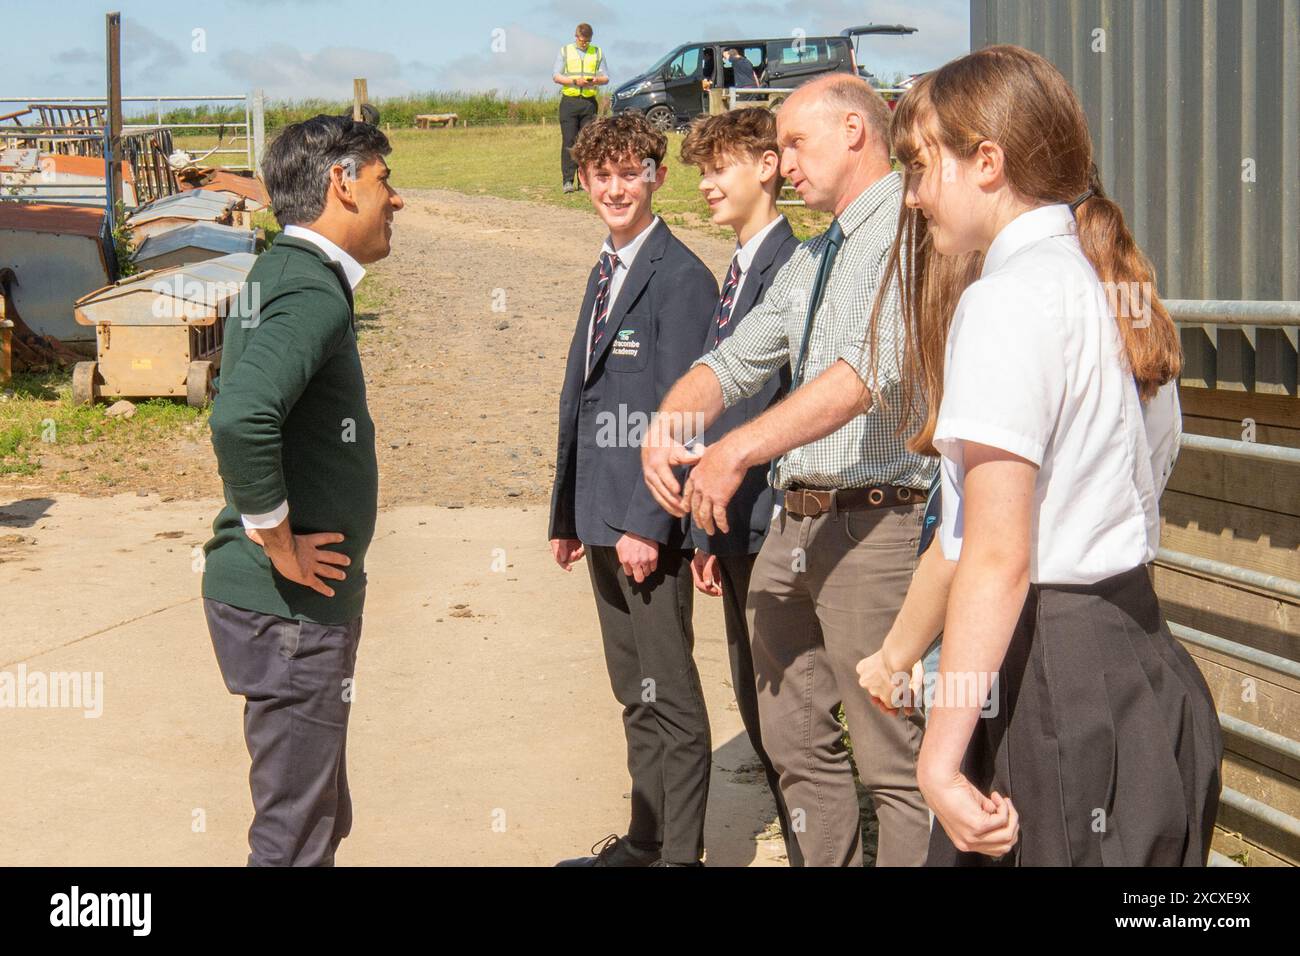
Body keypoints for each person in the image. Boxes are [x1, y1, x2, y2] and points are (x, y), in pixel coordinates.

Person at [868, 44, 1221, 865]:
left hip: (1055, 675)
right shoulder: (1099, 282)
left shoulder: (1006, 301)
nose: (914, 196)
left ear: (986, 161)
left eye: (922, 168)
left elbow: (992, 555)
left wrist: (938, 761)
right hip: (1134, 649)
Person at [642, 73, 935, 867]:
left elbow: (864, 373)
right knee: (796, 739)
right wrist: (671, 419)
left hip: (877, 523)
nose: (785, 162)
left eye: (795, 144)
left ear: (853, 130)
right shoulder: (818, 254)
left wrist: (735, 448)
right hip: (797, 524)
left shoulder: (909, 231)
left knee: (891, 756)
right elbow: (740, 355)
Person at [202, 114, 404, 866]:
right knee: (294, 837)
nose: (397, 200)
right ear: (342, 184)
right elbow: (240, 416)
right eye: (385, 180)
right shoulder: (309, 292)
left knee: (316, 817)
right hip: (287, 609)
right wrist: (279, 542)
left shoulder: (281, 270)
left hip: (284, 609)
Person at [547, 112, 719, 867]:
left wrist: (652, 522)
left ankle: (680, 856)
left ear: (657, 176)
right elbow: (580, 403)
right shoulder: (606, 267)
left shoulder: (680, 278)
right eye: (602, 175)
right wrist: (568, 514)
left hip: (648, 526)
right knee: (633, 689)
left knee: (672, 696)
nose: (616, 188)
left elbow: (682, 414)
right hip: (600, 517)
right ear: (583, 181)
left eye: (631, 172)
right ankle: (646, 840)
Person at [678, 108, 802, 863]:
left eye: (719, 167)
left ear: (766, 166)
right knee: (755, 701)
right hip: (732, 523)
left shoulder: (793, 264)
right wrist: (704, 532)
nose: (705, 185)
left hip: (770, 522)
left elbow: (761, 406)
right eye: (700, 170)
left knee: (787, 714)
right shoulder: (739, 267)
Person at [553, 22, 609, 193]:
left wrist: (595, 80)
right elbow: (556, 76)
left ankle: (585, 180)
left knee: (587, 143)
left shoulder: (597, 52)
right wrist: (575, 81)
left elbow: (606, 77)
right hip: (569, 101)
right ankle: (568, 181)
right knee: (569, 141)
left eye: (587, 41)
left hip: (589, 102)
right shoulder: (565, 51)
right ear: (576, 36)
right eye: (582, 41)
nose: (584, 44)